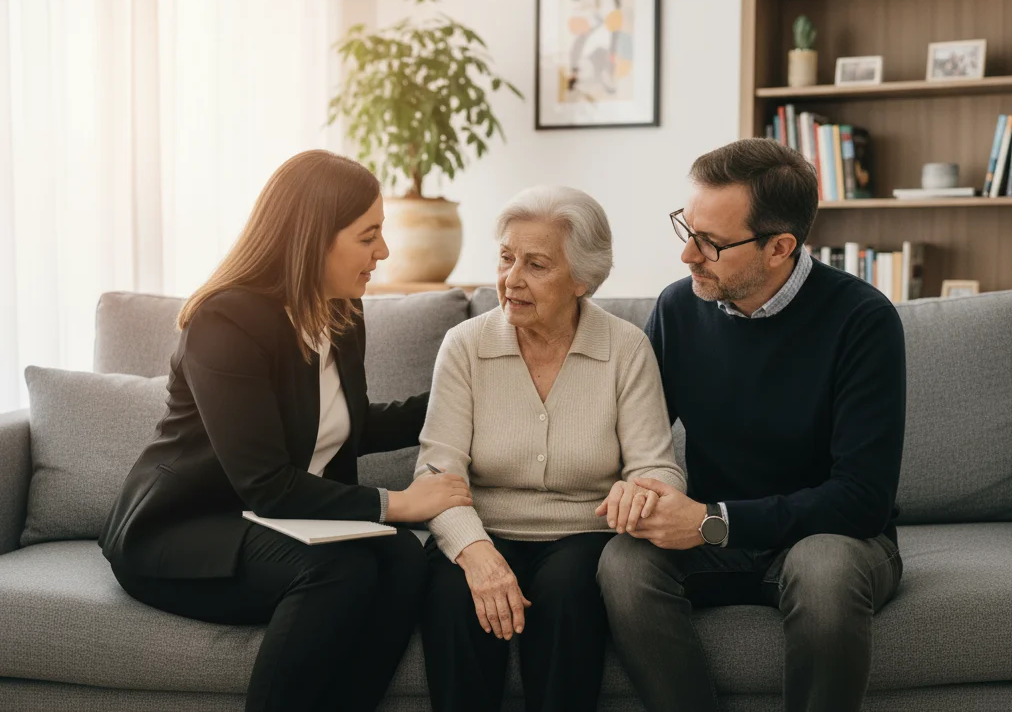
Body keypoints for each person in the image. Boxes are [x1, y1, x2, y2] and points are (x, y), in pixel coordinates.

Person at [98, 150, 472, 712]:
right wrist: (400, 503)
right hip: (182, 528)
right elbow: (267, 484)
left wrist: (461, 404)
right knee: (338, 569)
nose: (384, 251)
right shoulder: (224, 321)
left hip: (272, 520)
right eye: (369, 235)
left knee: (401, 561)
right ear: (314, 237)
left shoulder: (342, 312)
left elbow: (347, 426)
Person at [597, 138, 906, 712]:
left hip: (831, 538)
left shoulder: (864, 320)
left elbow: (862, 499)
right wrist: (634, 487)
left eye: (710, 243)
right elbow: (635, 439)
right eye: (686, 230)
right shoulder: (677, 310)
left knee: (825, 570)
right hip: (716, 540)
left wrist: (713, 522)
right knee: (624, 562)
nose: (688, 255)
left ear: (779, 247)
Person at [414, 185, 686, 712]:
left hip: (583, 533)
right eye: (506, 258)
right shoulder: (465, 345)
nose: (511, 279)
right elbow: (436, 469)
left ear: (583, 279)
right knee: (453, 596)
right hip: (480, 527)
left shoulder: (626, 348)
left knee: (568, 595)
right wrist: (476, 553)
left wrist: (643, 493)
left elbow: (659, 468)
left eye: (536, 265)